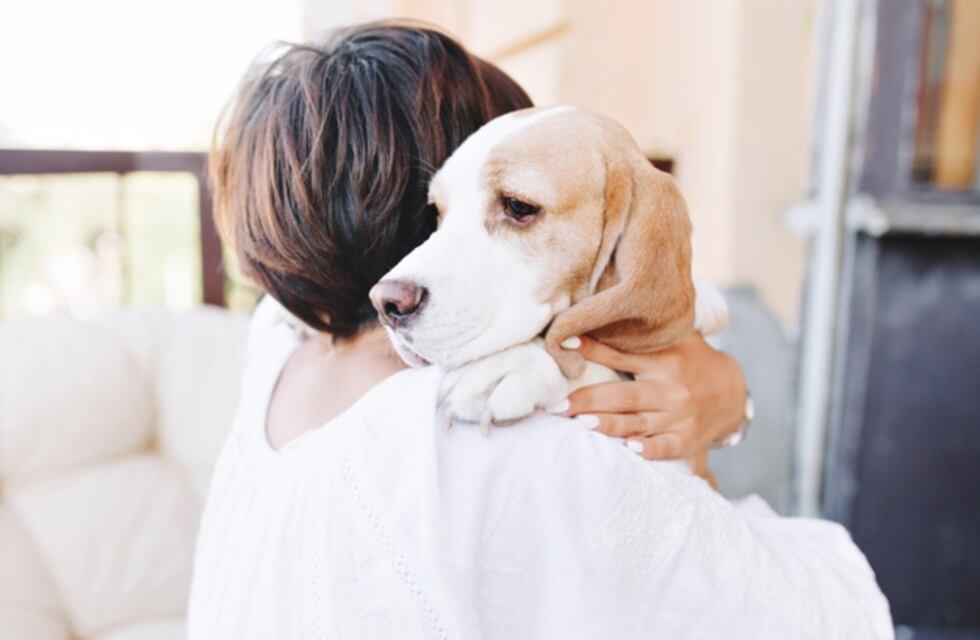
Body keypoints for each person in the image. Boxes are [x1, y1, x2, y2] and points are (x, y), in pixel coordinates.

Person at [188, 22, 891, 639]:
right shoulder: (509, 437)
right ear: (420, 212)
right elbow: (810, 619)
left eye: (516, 206)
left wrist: (702, 369)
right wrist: (724, 397)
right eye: (453, 210)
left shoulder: (278, 345)